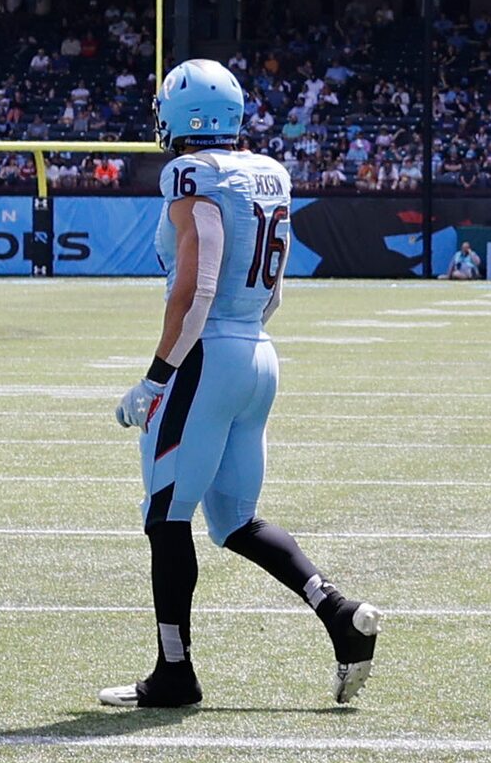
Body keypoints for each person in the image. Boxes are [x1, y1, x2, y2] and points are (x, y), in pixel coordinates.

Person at [101, 59, 381, 709]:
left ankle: (174, 674)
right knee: (233, 521)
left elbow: (196, 286)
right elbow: (273, 292)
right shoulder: (268, 172)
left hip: (206, 357)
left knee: (166, 516)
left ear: (175, 117)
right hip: (257, 351)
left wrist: (155, 378)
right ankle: (339, 613)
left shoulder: (190, 174)